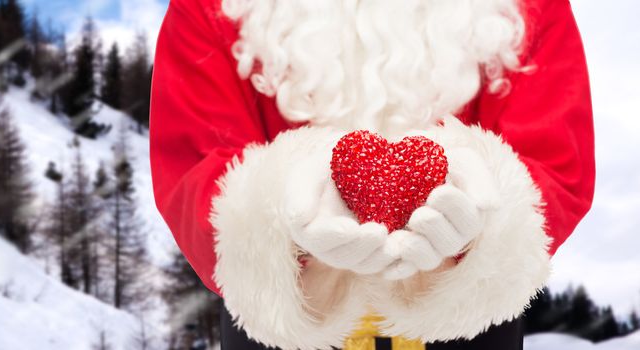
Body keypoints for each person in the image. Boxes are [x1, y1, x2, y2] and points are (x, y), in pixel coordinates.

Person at [149, 0, 595, 349]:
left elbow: (555, 162)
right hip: (284, 326)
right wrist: (281, 214)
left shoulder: (534, 7)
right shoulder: (206, 7)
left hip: (469, 327)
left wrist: (481, 216)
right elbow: (193, 164)